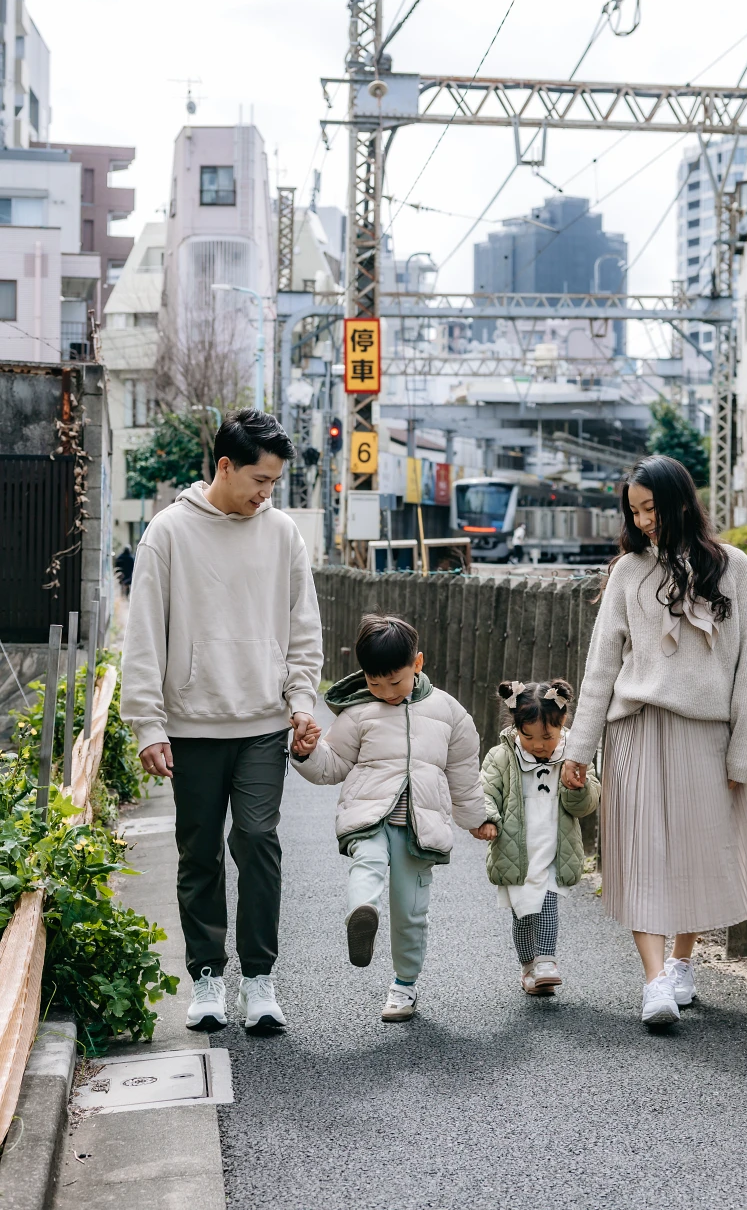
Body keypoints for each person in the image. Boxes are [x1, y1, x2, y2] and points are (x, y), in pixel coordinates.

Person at [121, 408, 323, 1035]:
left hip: (263, 722)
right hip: (191, 725)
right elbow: (143, 635)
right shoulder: (168, 532)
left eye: (275, 482)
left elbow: (303, 628)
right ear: (226, 466)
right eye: (260, 480)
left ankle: (260, 979)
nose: (267, 493)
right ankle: (208, 976)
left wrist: (302, 702)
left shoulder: (283, 533)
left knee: (258, 842)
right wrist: (147, 724)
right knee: (199, 852)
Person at [561, 454, 747, 1027]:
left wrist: (744, 752)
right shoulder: (627, 572)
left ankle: (681, 964)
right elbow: (602, 666)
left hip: (705, 734)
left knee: (696, 853)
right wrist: (579, 748)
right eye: (634, 511)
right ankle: (654, 982)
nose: (643, 521)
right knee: (640, 853)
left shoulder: (733, 568)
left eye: (651, 507)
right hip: (635, 728)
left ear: (679, 501)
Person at [290, 613, 487, 1023]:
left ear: (417, 663)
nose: (385, 692)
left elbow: (464, 773)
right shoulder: (360, 712)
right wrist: (307, 753)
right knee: (368, 861)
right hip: (370, 817)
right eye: (374, 683)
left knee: (411, 911)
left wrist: (476, 819)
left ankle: (404, 985)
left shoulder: (450, 713)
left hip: (419, 829)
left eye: (394, 682)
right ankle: (362, 912)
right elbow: (333, 765)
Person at [479, 679, 599, 995]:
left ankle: (546, 963)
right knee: (523, 916)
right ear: (516, 727)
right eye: (528, 736)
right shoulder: (501, 757)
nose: (539, 745)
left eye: (547, 736)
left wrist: (578, 788)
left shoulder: (574, 757)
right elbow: (486, 791)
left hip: (554, 846)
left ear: (563, 723)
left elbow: (586, 804)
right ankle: (528, 967)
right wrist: (487, 818)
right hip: (516, 850)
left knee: (546, 901)